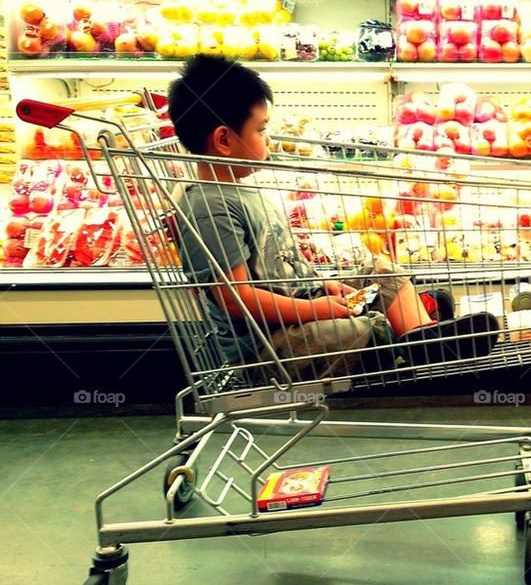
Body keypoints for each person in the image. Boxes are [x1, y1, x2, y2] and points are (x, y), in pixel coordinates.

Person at [166, 54, 498, 384]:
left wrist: (320, 285)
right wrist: (317, 309)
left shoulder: (239, 190)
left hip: (298, 308)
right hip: (271, 346)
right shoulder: (209, 208)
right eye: (261, 129)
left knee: (381, 272)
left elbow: (283, 267)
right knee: (359, 327)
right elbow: (236, 299)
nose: (268, 140)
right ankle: (407, 345)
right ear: (224, 140)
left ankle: (423, 339)